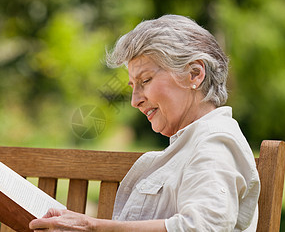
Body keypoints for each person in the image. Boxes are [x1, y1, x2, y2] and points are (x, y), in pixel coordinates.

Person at [29, 15, 260, 231]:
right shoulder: (190, 144)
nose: (135, 101)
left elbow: (202, 228)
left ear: (195, 74)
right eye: (133, 86)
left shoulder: (216, 144)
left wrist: (95, 227)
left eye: (145, 81)